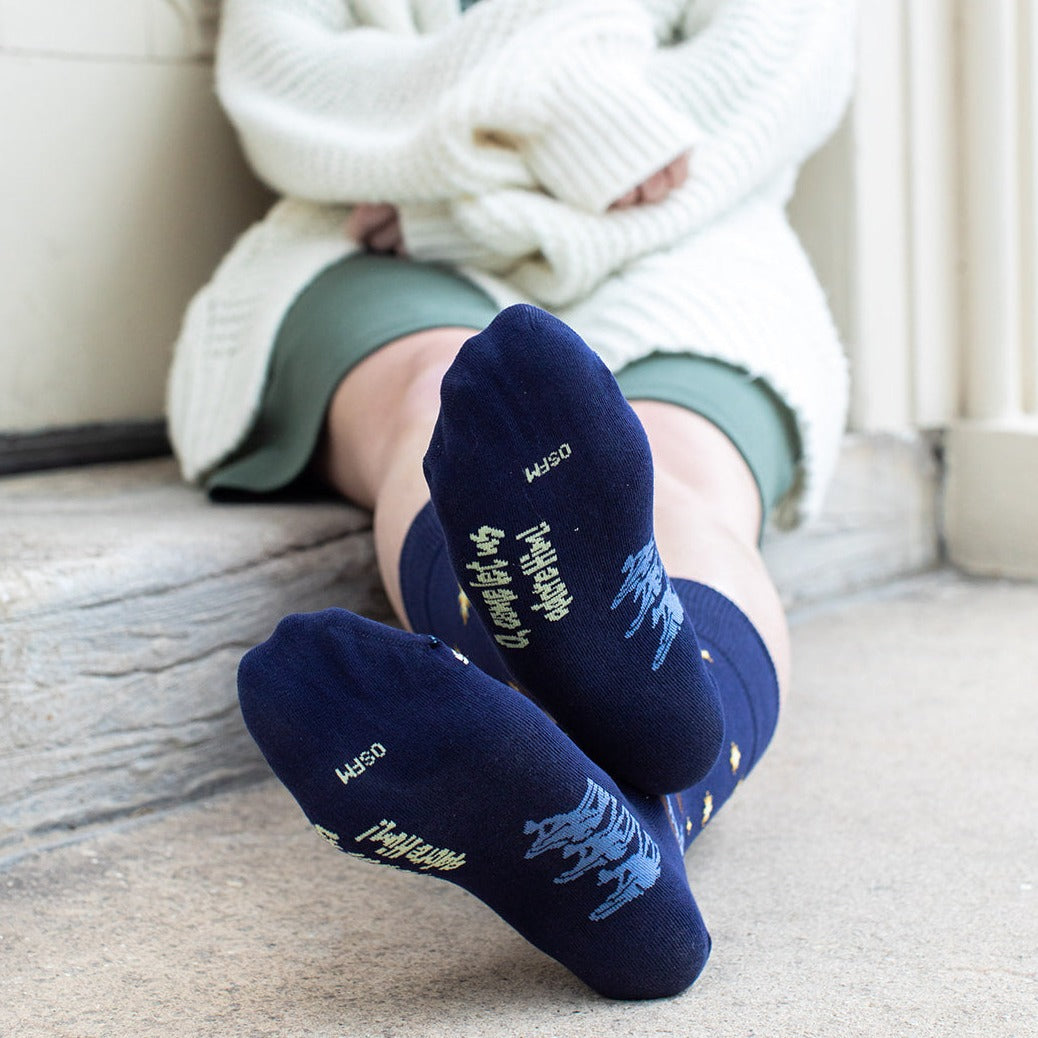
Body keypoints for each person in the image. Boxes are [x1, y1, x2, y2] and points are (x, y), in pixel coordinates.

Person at [168, 0, 856, 1001]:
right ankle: (649, 787)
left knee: (674, 469)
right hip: (385, 250)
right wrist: (590, 125)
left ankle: (627, 798)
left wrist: (471, 187)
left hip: (685, 236)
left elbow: (782, 68)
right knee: (440, 393)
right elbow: (289, 85)